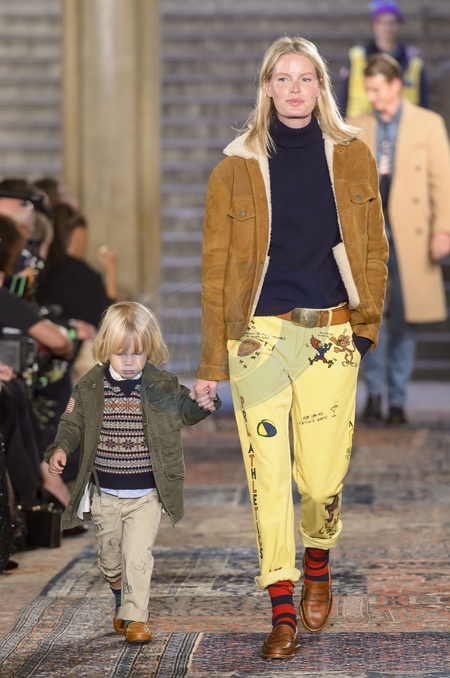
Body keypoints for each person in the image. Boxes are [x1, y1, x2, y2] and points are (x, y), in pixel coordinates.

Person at [193, 35, 388, 660]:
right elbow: (215, 272)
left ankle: (318, 562)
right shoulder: (234, 169)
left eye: (306, 78)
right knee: (268, 477)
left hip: (331, 333)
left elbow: (374, 246)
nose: (295, 89)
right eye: (283, 78)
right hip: (259, 338)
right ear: (267, 87)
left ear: (321, 86)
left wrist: (365, 327)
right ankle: (281, 609)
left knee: (323, 480)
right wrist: (211, 362)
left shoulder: (353, 157)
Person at [45, 301, 220, 644]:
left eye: (137, 354)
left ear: (149, 349)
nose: (129, 361)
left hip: (147, 494)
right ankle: (118, 594)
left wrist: (203, 404)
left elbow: (185, 410)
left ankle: (136, 617)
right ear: (105, 348)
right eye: (120, 353)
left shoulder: (161, 385)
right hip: (105, 494)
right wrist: (60, 448)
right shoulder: (90, 387)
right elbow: (71, 423)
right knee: (111, 561)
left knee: (138, 558)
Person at [349, 54, 450, 425]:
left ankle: (397, 399)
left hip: (413, 233)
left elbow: (443, 179)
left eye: (378, 89)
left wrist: (444, 229)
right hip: (371, 232)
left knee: (408, 319)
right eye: (368, 90)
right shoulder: (358, 126)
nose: (372, 97)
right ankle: (374, 394)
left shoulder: (428, 124)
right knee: (370, 317)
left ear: (395, 85)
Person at [338, 0, 429, 119]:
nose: (388, 27)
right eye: (382, 22)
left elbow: (423, 101)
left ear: (399, 25)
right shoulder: (356, 56)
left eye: (392, 22)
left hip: (404, 124)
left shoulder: (413, 61)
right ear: (374, 25)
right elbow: (343, 95)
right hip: (361, 123)